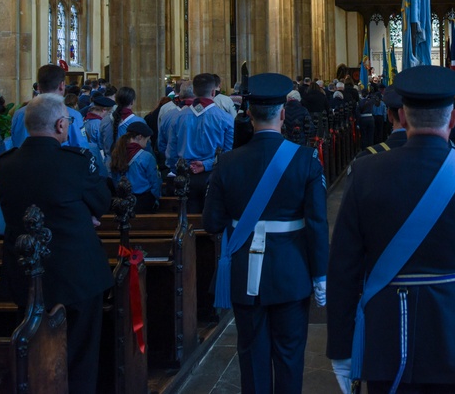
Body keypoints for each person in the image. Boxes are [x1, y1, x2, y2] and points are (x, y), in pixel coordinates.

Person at [327, 65, 455, 394]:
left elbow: (343, 269)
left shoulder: (365, 172)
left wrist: (342, 349)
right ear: (454, 117)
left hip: (386, 336)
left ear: (401, 115)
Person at [202, 73, 329, 394]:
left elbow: (212, 223)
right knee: (289, 357)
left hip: (246, 275)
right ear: (283, 114)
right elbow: (316, 223)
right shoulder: (305, 160)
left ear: (248, 114)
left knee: (252, 358)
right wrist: (320, 277)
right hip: (291, 274)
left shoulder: (227, 163)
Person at [0, 93, 112, 394]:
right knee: (82, 353)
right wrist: (84, 214)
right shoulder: (75, 163)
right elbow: (101, 202)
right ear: (61, 125)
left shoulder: (4, 165)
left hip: (25, 273)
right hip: (77, 273)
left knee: (33, 348)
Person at [166, 73, 236, 213]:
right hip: (212, 175)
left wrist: (179, 169)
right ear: (213, 91)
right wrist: (206, 164)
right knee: (210, 220)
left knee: (187, 221)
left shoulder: (178, 117)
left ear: (195, 91)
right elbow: (228, 153)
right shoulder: (225, 119)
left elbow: (171, 152)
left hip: (185, 176)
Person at [11, 64, 91, 149]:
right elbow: (82, 148)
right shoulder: (71, 115)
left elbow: (16, 143)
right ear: (62, 85)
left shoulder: (19, 114)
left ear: (38, 87)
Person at [109, 120, 161, 213]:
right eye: (147, 140)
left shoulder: (117, 153)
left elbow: (114, 178)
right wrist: (156, 199)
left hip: (122, 201)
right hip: (143, 201)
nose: (147, 143)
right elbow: (154, 181)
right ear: (140, 137)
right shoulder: (146, 156)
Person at [100, 86, 147, 166]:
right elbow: (145, 146)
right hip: (131, 166)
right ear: (132, 102)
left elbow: (101, 143)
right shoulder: (139, 122)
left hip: (109, 165)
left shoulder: (105, 120)